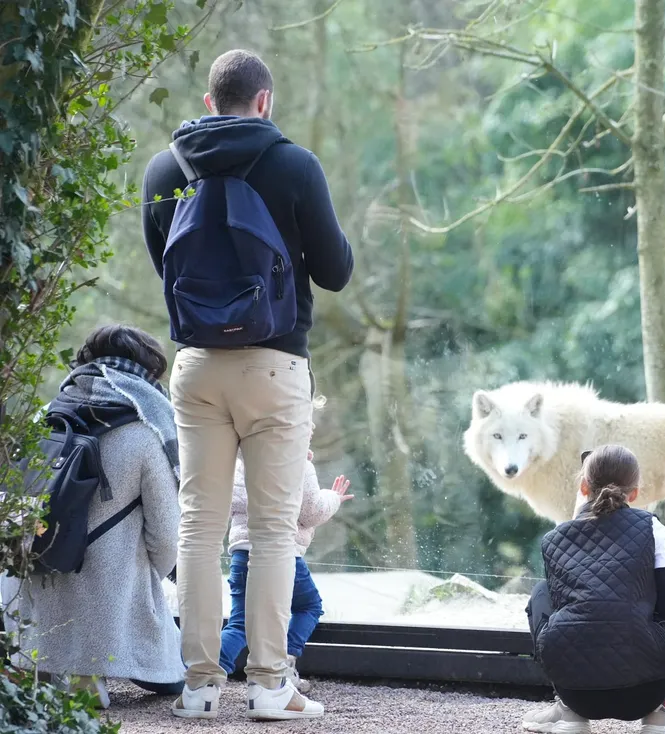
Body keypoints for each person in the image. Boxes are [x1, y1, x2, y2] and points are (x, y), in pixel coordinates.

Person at [141, 49, 353, 720]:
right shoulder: (293, 164)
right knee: (269, 530)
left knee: (199, 526)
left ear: (209, 102)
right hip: (275, 363)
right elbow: (337, 271)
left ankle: (199, 687)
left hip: (196, 368)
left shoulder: (164, 170)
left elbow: (165, 270)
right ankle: (269, 686)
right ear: (265, 101)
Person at [0, 325, 185, 708]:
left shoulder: (46, 419)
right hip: (112, 601)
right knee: (174, 682)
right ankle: (88, 672)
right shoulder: (147, 431)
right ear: (147, 373)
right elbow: (166, 537)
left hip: (36, 588)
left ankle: (50, 670)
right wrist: (159, 575)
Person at [522, 444, 665, 734]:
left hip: (577, 694)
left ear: (583, 486)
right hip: (647, 691)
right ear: (634, 492)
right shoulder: (651, 528)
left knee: (542, 593)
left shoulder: (554, 538)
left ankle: (570, 714)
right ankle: (661, 714)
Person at [219, 398, 353, 692]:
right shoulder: (299, 465)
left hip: (241, 552)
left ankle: (205, 676)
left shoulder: (241, 463)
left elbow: (231, 503)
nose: (312, 432)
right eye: (308, 426)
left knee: (240, 622)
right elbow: (312, 512)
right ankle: (284, 665)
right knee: (309, 606)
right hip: (282, 555)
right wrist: (333, 498)